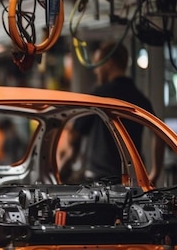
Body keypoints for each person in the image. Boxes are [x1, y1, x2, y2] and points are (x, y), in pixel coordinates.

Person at [61, 41, 164, 184]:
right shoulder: (138, 97)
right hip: (133, 181)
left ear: (109, 63)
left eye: (98, 65)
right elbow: (159, 134)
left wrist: (63, 168)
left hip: (101, 181)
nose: (95, 71)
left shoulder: (99, 97)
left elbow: (74, 136)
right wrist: (155, 173)